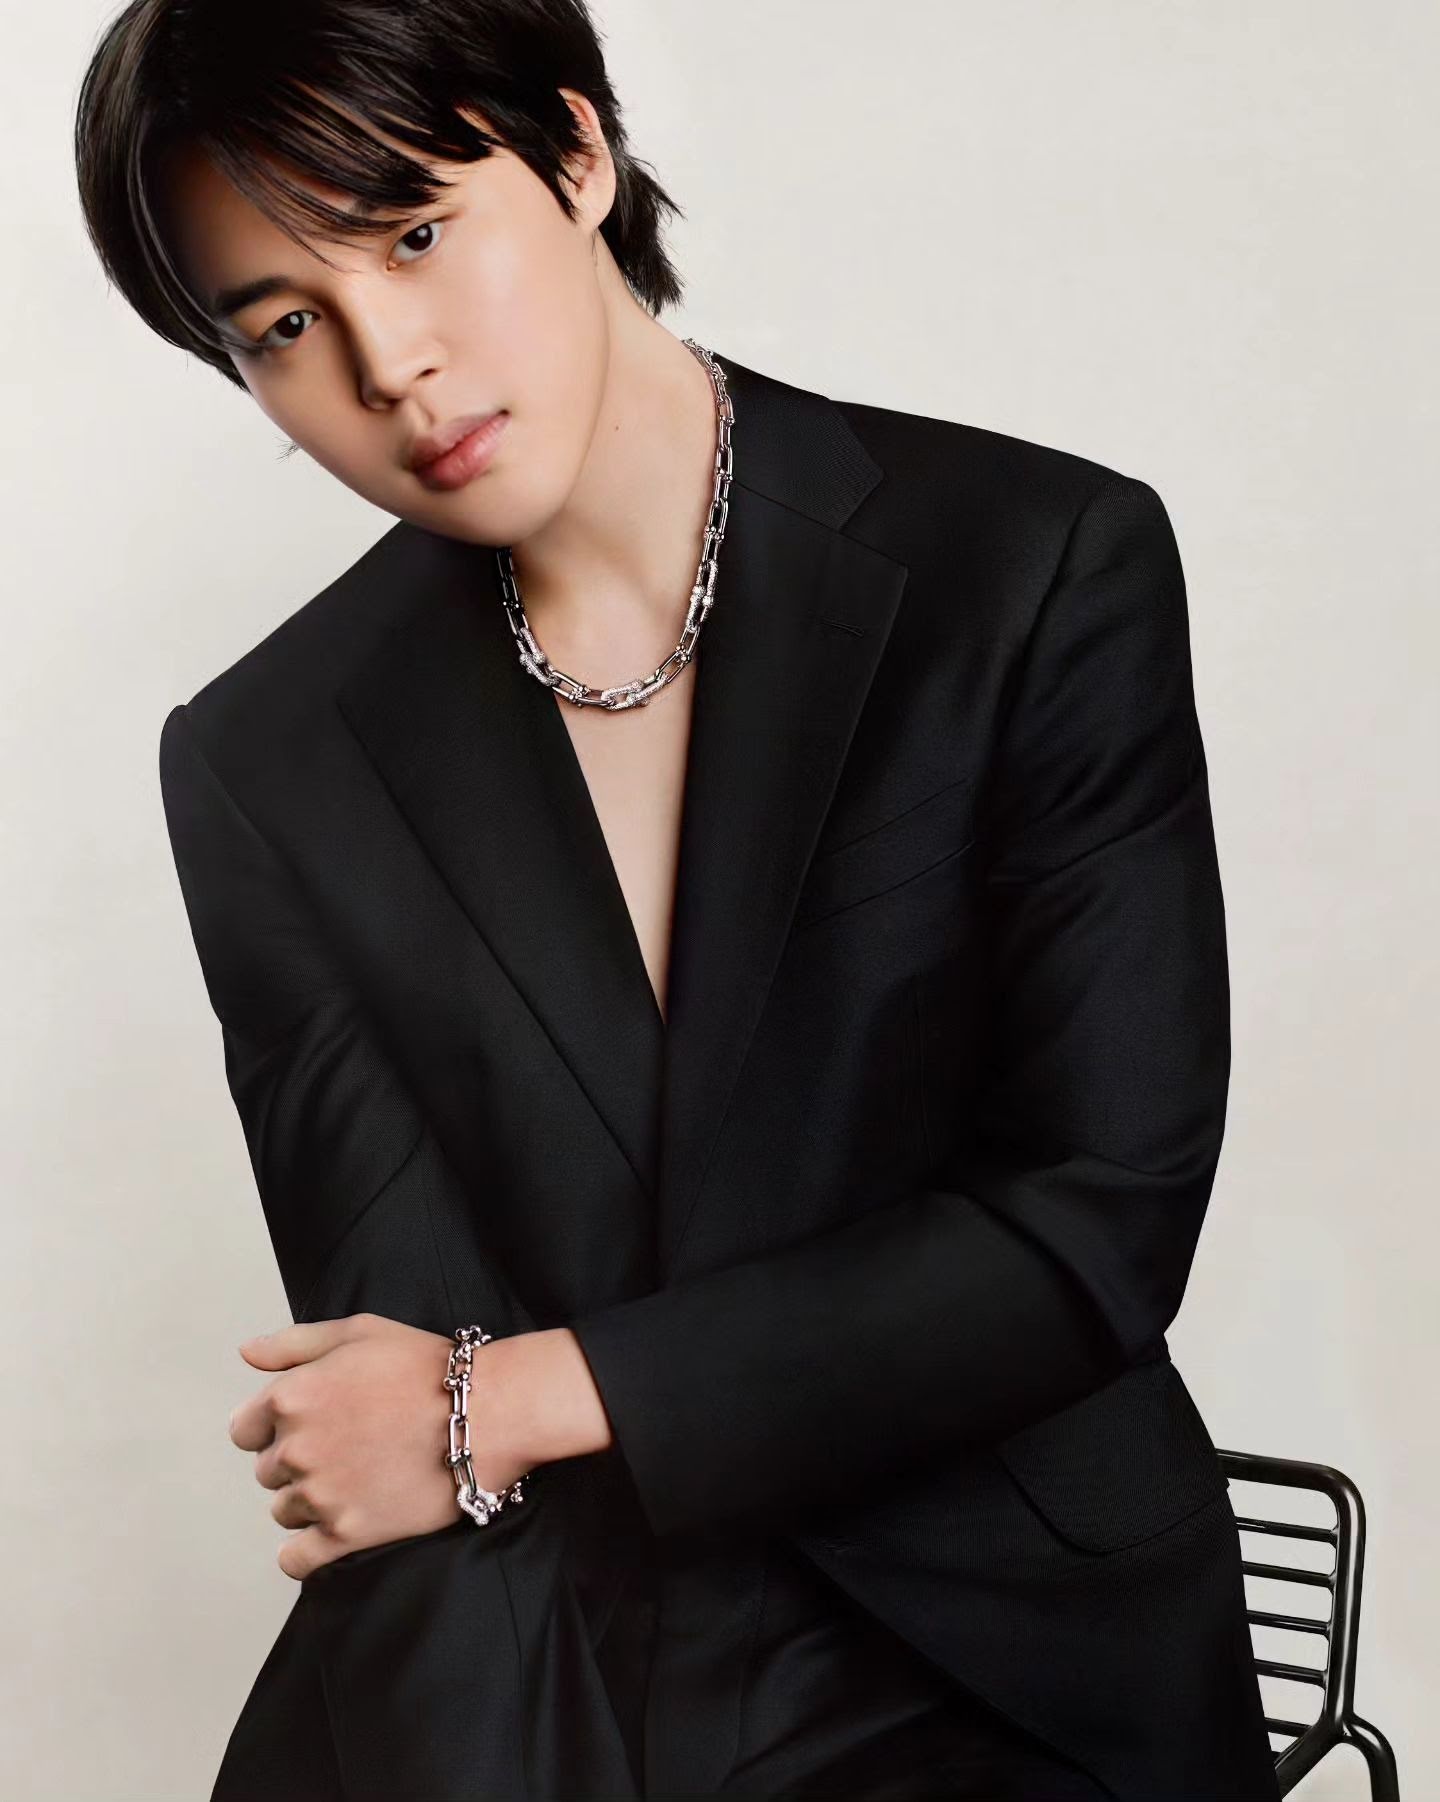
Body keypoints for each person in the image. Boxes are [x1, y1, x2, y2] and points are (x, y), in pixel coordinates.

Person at [74, 2, 1282, 1797]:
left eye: (415, 231)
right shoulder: (269, 761)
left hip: (1006, 1640)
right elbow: (410, 1382)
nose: (391, 363)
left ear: (576, 155)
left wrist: (527, 1396)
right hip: (581, 1628)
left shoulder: (1030, 568)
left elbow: (1090, 1223)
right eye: (285, 325)